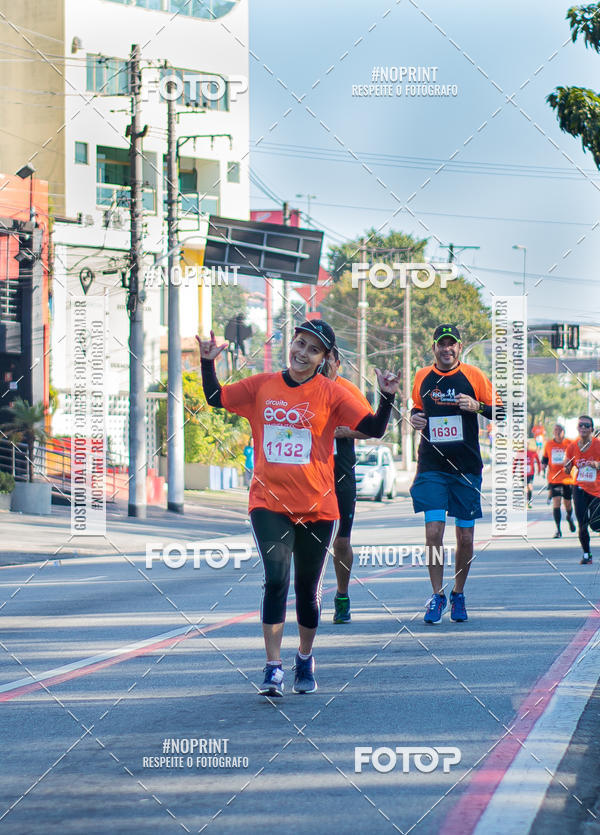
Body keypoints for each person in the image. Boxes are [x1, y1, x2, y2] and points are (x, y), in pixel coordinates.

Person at [197, 319, 400, 695]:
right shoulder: (262, 386)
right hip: (267, 502)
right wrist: (208, 363)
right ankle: (273, 667)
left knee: (307, 589)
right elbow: (216, 398)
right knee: (277, 580)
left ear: (323, 358)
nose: (302, 353)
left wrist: (387, 396)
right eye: (299, 343)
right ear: (290, 343)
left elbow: (373, 428)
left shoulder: (331, 392)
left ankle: (304, 657)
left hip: (318, 507)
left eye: (313, 349)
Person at [409, 324, 501, 624]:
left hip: (466, 468)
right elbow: (416, 409)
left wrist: (478, 406)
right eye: (441, 344)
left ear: (459, 348)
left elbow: (503, 411)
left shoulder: (474, 376)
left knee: (465, 536)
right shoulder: (422, 376)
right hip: (432, 466)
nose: (446, 349)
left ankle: (458, 593)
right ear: (433, 347)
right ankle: (437, 595)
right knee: (433, 533)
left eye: (452, 344)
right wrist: (415, 418)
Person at [325, 345, 373, 624]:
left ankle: (342, 596)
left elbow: (372, 426)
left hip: (341, 473)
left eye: (328, 360)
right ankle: (311, 597)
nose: (323, 365)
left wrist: (347, 431)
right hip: (308, 477)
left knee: (341, 542)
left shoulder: (347, 390)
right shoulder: (300, 387)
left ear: (337, 363)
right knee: (310, 544)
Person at [564, 416, 600, 565]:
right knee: (582, 523)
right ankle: (587, 555)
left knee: (595, 524)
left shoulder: (598, 445)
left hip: (597, 490)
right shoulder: (572, 447)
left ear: (592, 429)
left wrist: (597, 465)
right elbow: (567, 470)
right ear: (578, 428)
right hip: (579, 488)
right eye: (581, 425)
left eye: (587, 426)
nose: (583, 428)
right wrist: (567, 466)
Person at [541, 424, 576, 538]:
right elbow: (545, 458)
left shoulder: (570, 443)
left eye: (559, 430)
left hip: (568, 479)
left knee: (568, 503)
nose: (557, 432)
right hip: (554, 478)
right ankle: (558, 529)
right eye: (555, 430)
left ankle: (569, 517)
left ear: (563, 432)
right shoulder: (549, 444)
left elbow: (577, 458)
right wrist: (543, 466)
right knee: (556, 502)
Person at [525, 440, 541, 508]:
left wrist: (539, 470)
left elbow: (538, 461)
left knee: (529, 486)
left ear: (528, 445)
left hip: (531, 473)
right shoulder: (520, 453)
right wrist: (514, 471)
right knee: (525, 488)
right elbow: (515, 462)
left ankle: (529, 501)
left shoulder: (532, 452)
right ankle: (527, 500)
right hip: (523, 473)